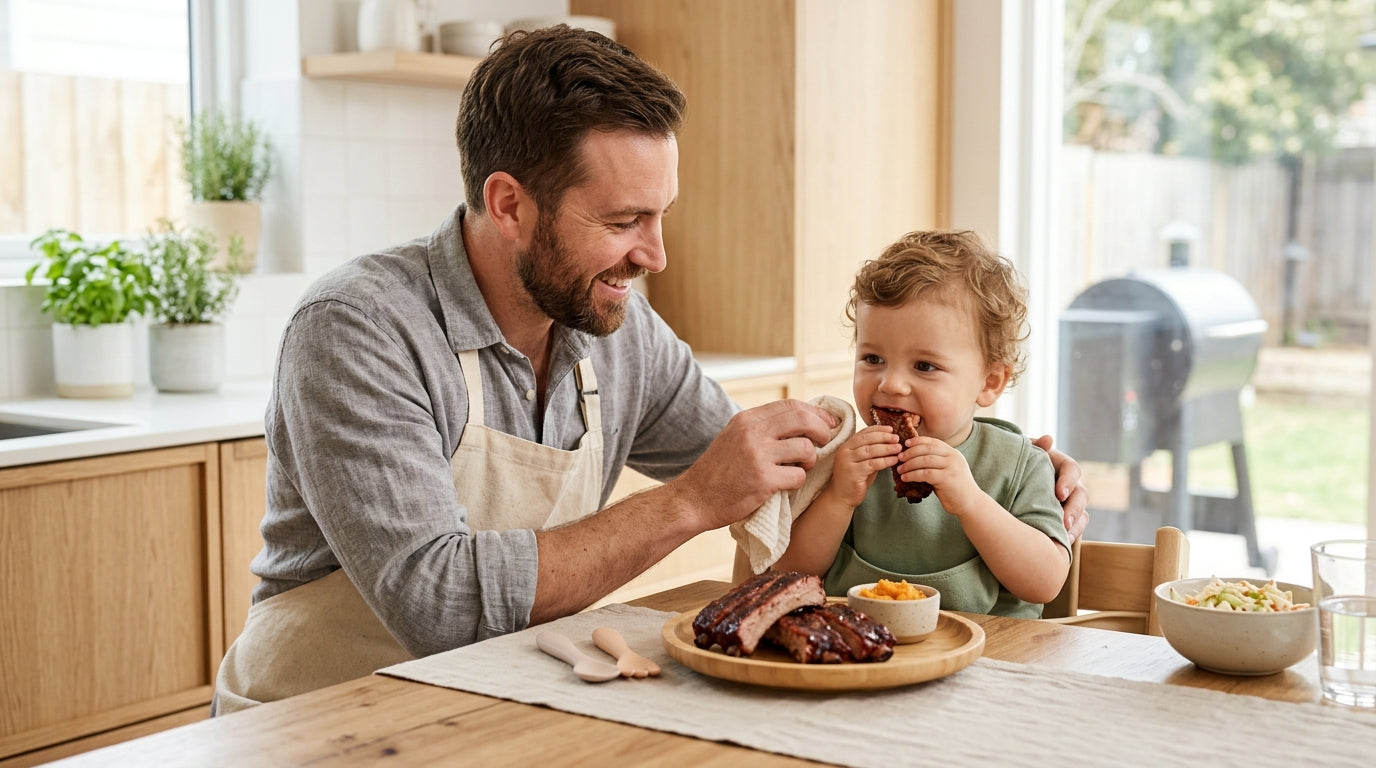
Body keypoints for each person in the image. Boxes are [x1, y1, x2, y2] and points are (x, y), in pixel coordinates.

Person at [212, 27, 1087, 713]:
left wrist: (1006, 474)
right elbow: (438, 604)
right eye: (626, 219)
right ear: (509, 204)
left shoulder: (613, 329)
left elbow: (780, 471)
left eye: (661, 214)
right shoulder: (361, 330)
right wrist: (688, 503)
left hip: (497, 700)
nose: (656, 255)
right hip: (322, 719)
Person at [773, 230, 1071, 617]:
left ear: (989, 381)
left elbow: (1045, 582)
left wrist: (970, 501)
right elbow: (785, 578)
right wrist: (839, 498)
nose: (890, 383)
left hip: (991, 662)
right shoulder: (839, 457)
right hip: (854, 653)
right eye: (873, 358)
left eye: (925, 366)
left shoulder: (1019, 463)